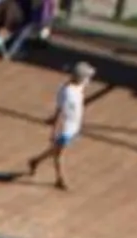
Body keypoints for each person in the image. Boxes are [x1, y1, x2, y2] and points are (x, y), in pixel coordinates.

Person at [25, 61, 93, 190]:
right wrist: (55, 130)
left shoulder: (76, 88)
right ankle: (60, 179)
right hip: (66, 128)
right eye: (87, 77)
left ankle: (35, 161)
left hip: (74, 126)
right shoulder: (68, 93)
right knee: (59, 154)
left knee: (57, 149)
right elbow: (60, 112)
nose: (88, 80)